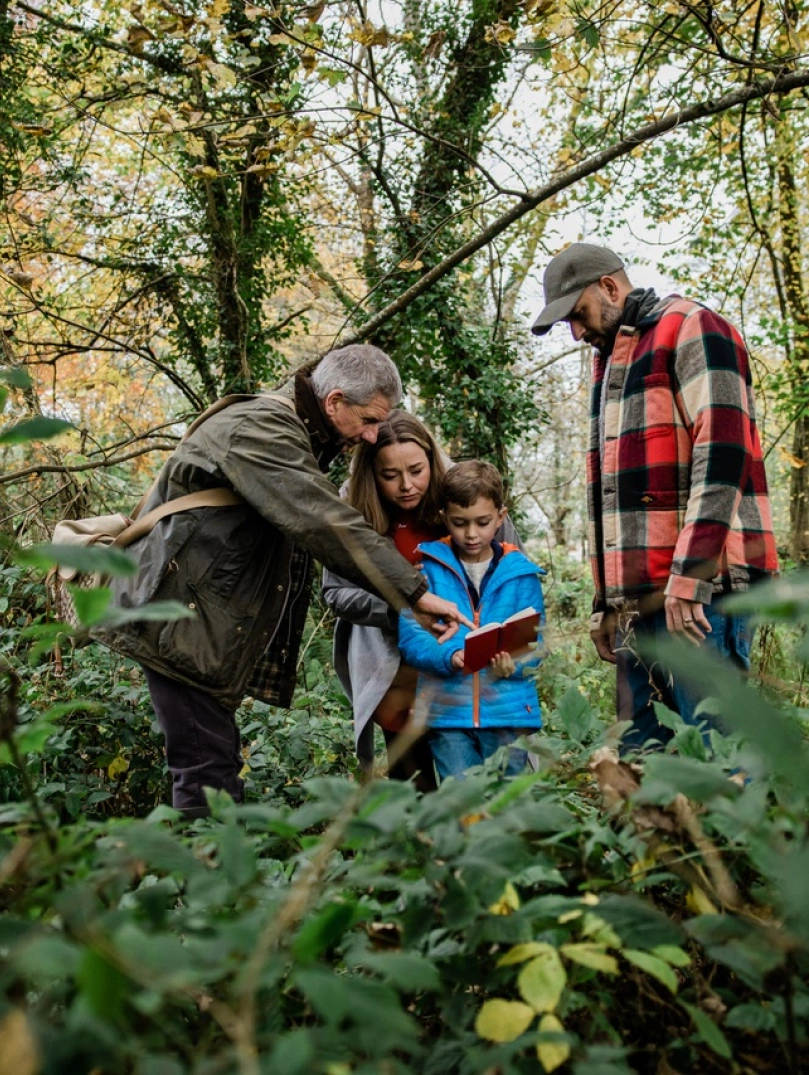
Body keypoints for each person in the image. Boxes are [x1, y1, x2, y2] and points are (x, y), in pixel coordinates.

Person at [98, 345, 471, 815]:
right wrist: (413, 593)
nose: (374, 435)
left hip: (198, 620)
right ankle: (207, 877)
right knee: (204, 773)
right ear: (333, 401)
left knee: (214, 761)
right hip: (181, 622)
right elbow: (322, 520)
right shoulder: (263, 430)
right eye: (370, 420)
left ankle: (214, 873)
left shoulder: (294, 430)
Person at [531, 242, 779, 752]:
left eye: (578, 315)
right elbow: (612, 492)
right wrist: (608, 604)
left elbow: (724, 452)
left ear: (609, 287)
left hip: (705, 596)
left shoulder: (693, 327)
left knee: (717, 755)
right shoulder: (610, 361)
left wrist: (692, 575)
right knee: (641, 764)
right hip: (639, 605)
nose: (576, 334)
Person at [322, 413, 525, 790]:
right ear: (371, 473)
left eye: (416, 470)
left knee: (481, 790)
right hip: (396, 681)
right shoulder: (352, 508)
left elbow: (513, 574)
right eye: (389, 475)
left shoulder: (467, 496)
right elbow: (335, 593)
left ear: (431, 459)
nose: (406, 486)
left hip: (469, 680)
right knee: (413, 796)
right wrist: (401, 610)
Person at [398, 461, 545, 782]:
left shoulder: (521, 575)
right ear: (443, 518)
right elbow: (411, 638)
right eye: (459, 522)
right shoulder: (427, 571)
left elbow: (537, 645)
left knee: (507, 807)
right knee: (461, 806)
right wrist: (450, 656)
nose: (471, 533)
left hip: (507, 715)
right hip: (448, 716)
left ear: (501, 517)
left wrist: (514, 664)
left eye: (482, 522)